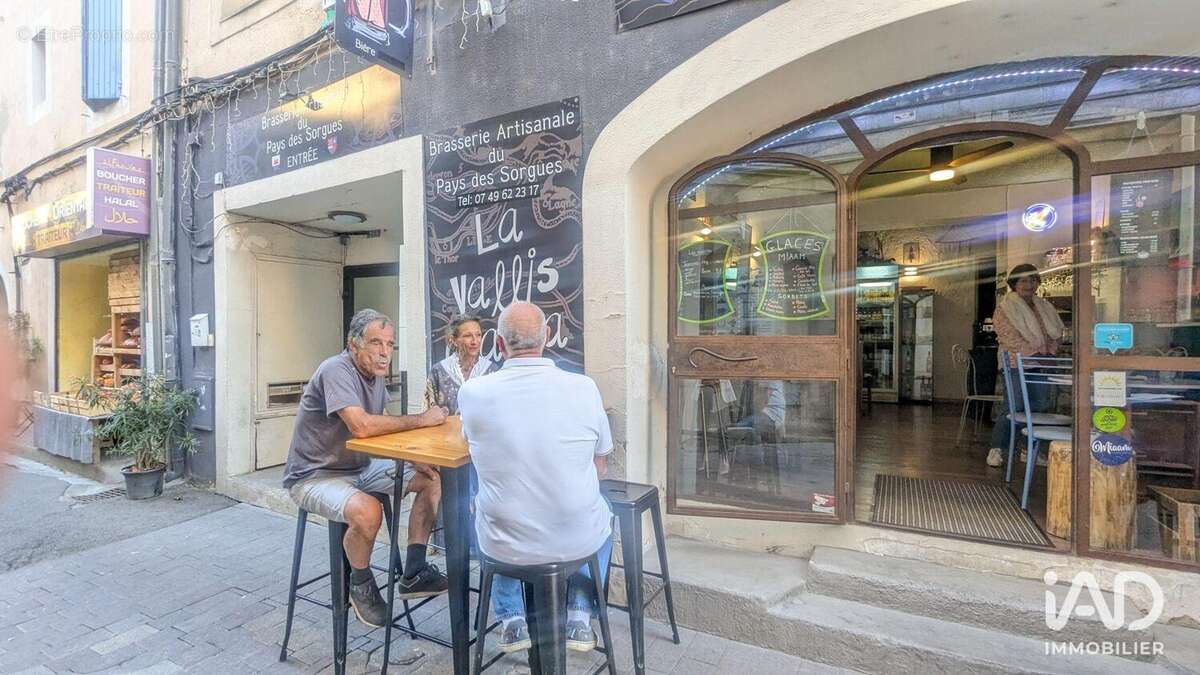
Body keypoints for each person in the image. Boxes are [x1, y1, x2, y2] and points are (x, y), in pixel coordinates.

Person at [458, 302, 614, 654]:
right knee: (604, 517)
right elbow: (600, 465)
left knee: (487, 499)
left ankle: (512, 620)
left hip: (505, 544)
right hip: (576, 539)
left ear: (498, 345)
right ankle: (578, 612)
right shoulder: (585, 388)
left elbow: (469, 447)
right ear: (546, 338)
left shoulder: (472, 393)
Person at [282, 309, 449, 628]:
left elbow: (381, 421)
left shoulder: (376, 376)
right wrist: (421, 419)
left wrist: (409, 455)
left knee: (430, 478)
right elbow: (361, 426)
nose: (385, 352)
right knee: (369, 511)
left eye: (390, 344)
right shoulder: (336, 369)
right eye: (376, 343)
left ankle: (414, 571)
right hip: (314, 475)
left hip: (360, 466)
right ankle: (360, 584)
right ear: (353, 344)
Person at [986, 264, 1065, 467]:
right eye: (1023, 280)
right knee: (1014, 406)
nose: (1028, 284)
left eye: (1032, 280)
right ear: (1014, 284)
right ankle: (997, 449)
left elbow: (1056, 334)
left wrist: (1051, 352)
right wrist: (1036, 354)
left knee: (1040, 406)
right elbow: (1009, 337)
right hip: (1015, 363)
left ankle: (1029, 450)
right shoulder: (1005, 308)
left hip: (1041, 363)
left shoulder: (1044, 307)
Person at [424, 314, 498, 414]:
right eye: (468, 336)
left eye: (478, 335)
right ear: (454, 340)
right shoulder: (439, 372)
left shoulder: (492, 371)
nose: (474, 341)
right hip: (447, 429)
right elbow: (428, 413)